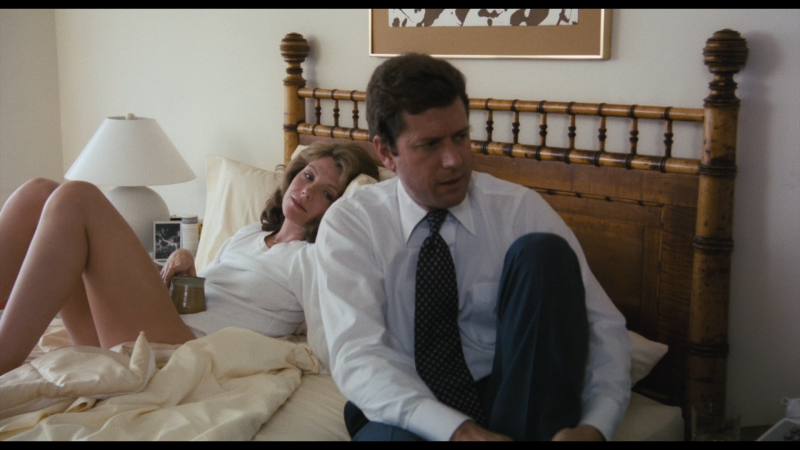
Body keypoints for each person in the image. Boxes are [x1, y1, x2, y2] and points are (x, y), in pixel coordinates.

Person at [315, 54, 632, 441]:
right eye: (430, 145)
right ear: (385, 153)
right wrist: (457, 431)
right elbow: (359, 354)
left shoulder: (517, 209)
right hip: (404, 406)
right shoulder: (352, 223)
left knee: (544, 254)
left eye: (461, 137)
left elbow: (602, 326)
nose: (454, 160)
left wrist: (596, 426)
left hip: (510, 396)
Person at [0, 142, 379, 376]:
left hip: (175, 350)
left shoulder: (311, 260)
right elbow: (210, 300)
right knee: (39, 193)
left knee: (77, 198)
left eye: (327, 193)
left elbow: (329, 340)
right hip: (151, 324)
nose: (308, 191)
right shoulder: (250, 233)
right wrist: (186, 269)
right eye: (308, 176)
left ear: (339, 209)